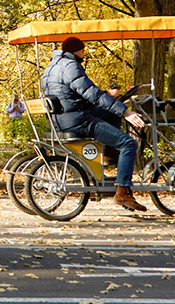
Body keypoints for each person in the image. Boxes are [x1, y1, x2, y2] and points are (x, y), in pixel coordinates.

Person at [41, 36, 148, 212]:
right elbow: (91, 93)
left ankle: (108, 154)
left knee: (109, 113)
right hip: (78, 121)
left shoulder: (52, 67)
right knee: (129, 143)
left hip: (61, 119)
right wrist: (125, 111)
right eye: (83, 50)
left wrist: (111, 103)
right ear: (77, 50)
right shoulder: (71, 66)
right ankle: (123, 192)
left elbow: (73, 95)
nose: (84, 53)